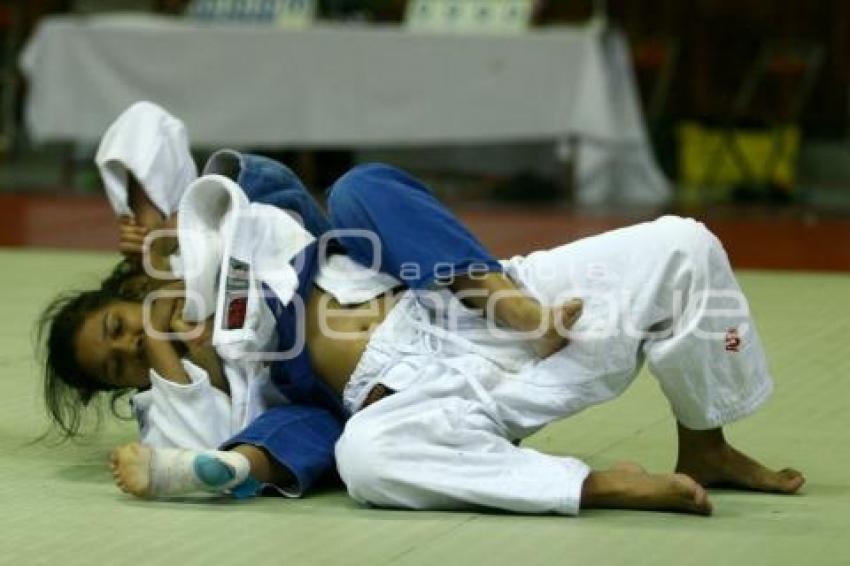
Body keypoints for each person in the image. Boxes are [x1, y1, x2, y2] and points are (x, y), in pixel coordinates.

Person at [104, 165, 803, 515]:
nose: (138, 342)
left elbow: (253, 177)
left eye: (123, 326)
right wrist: (175, 359)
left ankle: (705, 444)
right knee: (367, 460)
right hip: (428, 400)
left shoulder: (264, 242)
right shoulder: (217, 387)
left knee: (683, 245)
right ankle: (592, 487)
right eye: (118, 364)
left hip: (481, 311)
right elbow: (195, 427)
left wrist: (164, 222)